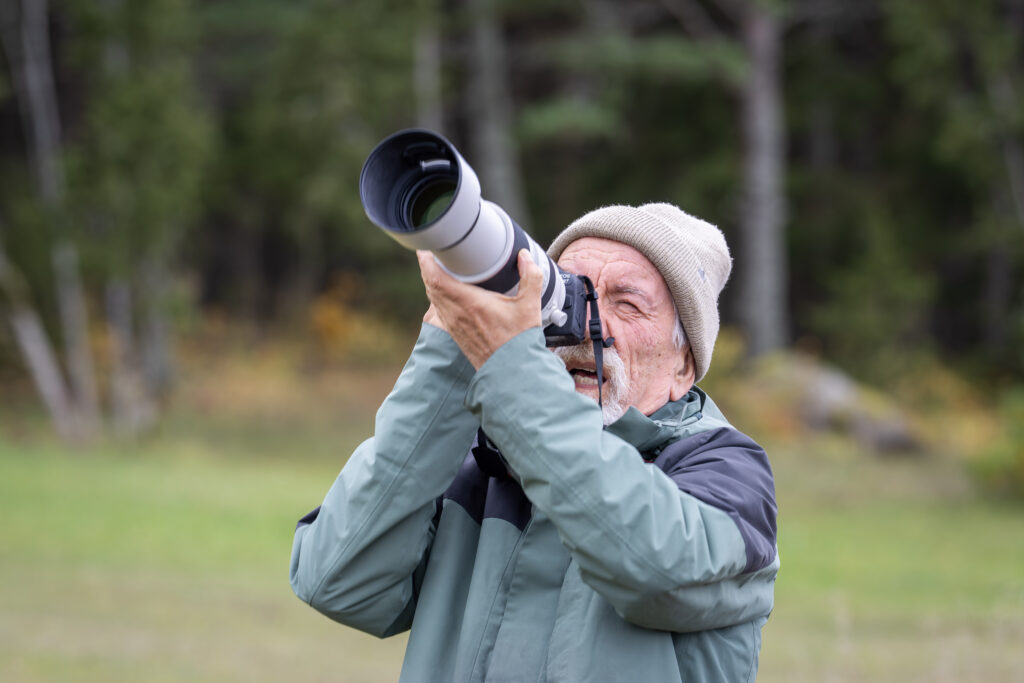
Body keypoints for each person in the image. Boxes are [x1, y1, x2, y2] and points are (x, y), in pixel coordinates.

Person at [290, 203, 778, 682]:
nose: (590, 326)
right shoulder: (489, 461)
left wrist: (513, 372)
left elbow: (653, 568)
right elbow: (338, 580)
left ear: (684, 366)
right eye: (572, 295)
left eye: (626, 304)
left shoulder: (727, 473)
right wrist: (450, 356)